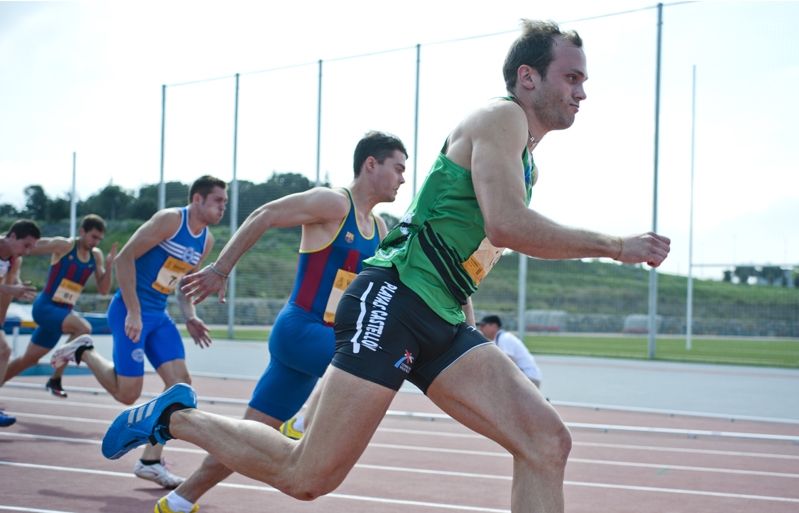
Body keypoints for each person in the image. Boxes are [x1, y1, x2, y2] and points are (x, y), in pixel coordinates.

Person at [101, 20, 671, 513]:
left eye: (583, 81)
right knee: (308, 476)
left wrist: (465, 312)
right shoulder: (501, 119)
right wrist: (616, 246)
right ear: (528, 77)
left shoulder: (526, 161)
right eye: (571, 78)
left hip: (441, 317)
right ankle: (175, 418)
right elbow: (507, 225)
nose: (581, 92)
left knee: (546, 442)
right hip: (393, 302)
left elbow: (466, 245)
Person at [153, 130, 407, 513]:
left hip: (323, 344)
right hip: (302, 330)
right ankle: (302, 424)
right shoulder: (334, 203)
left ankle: (178, 500)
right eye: (398, 168)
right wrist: (221, 269)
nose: (403, 178)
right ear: (371, 164)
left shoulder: (380, 228)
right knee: (372, 361)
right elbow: (265, 214)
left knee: (249, 436)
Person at [51, 175, 227, 488]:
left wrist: (190, 316)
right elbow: (124, 259)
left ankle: (150, 462)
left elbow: (182, 285)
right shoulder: (170, 220)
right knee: (127, 393)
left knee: (181, 387)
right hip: (129, 310)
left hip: (158, 316)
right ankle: (84, 351)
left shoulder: (207, 240)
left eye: (225, 202)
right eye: (218, 200)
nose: (223, 207)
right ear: (197, 199)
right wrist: (133, 310)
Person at [2, 214, 117, 398]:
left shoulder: (96, 256)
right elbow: (31, 245)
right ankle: (55, 379)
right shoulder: (64, 245)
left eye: (99, 239)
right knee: (83, 329)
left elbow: (103, 290)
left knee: (28, 360)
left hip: (63, 313)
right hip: (46, 307)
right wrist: (6, 240)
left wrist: (109, 266)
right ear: (82, 231)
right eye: (93, 237)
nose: (95, 242)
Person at [0, 220, 41, 426]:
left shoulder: (13, 260)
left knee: (4, 352)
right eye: (26, 245)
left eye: (31, 248)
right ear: (13, 236)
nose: (27, 251)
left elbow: (10, 284)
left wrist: (19, 289)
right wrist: (11, 290)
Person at [477, 314, 543, 388]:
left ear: (494, 326)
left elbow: (508, 364)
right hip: (525, 378)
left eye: (483, 326)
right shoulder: (499, 339)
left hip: (529, 378)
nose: (480, 329)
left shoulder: (504, 338)